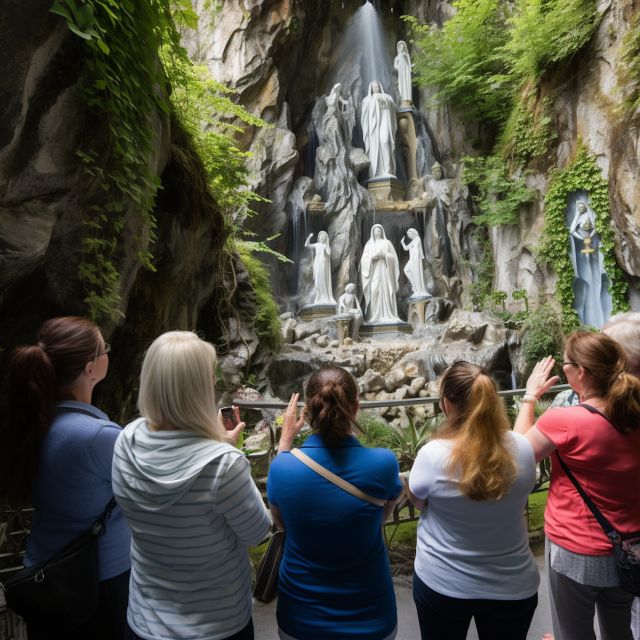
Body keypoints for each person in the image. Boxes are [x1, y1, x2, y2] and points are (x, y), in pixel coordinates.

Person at [112, 331, 271, 640]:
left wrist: (214, 443)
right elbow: (256, 532)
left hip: (146, 620)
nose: (213, 382)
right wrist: (229, 450)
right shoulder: (224, 464)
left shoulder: (125, 441)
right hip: (217, 624)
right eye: (208, 376)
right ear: (196, 389)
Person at [0, 316, 131, 639]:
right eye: (104, 349)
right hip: (95, 581)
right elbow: (148, 496)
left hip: (44, 572)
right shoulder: (98, 436)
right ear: (90, 368)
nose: (107, 355)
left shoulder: (34, 423)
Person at [515, 332, 640, 640]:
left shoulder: (565, 421)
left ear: (581, 372)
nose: (564, 369)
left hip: (575, 551)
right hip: (630, 549)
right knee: (619, 629)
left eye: (567, 363)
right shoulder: (634, 411)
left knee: (574, 633)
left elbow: (515, 454)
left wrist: (530, 396)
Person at [267, 365, 402, 640]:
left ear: (307, 411)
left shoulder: (282, 468)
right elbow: (380, 518)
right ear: (356, 406)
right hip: (371, 618)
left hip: (301, 620)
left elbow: (281, 522)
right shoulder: (384, 463)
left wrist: (285, 440)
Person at [408, 361, 539, 640]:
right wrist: (530, 398)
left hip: (443, 582)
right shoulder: (524, 450)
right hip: (512, 585)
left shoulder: (433, 455)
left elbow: (418, 501)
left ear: (446, 403)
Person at [567, 199, 611, 328]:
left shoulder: (590, 215)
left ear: (586, 206)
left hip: (593, 243)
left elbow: (596, 226)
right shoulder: (578, 217)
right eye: (579, 207)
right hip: (584, 243)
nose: (581, 209)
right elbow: (572, 230)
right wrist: (582, 238)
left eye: (582, 206)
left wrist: (591, 235)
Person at [360, 224, 401, 323]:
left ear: (382, 231)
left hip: (385, 271)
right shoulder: (369, 245)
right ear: (372, 232)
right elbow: (363, 259)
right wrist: (373, 257)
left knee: (386, 290)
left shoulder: (387, 243)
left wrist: (385, 256)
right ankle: (374, 316)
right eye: (376, 230)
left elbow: (394, 258)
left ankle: (389, 314)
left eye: (379, 230)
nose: (378, 232)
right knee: (374, 291)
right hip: (374, 271)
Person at [361, 80, 397, 178]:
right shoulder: (367, 100)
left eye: (376, 86)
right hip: (373, 129)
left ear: (380, 87)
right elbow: (364, 116)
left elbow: (393, 109)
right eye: (373, 87)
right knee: (375, 147)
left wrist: (383, 101)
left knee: (385, 141)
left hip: (384, 122)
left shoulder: (387, 97)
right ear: (371, 89)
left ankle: (388, 169)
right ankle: (375, 172)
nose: (375, 88)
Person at [305, 231, 336, 305]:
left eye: (324, 237)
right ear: (319, 237)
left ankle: (325, 297)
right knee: (317, 281)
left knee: (322, 279)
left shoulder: (326, 246)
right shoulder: (317, 244)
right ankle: (318, 297)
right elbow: (306, 245)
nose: (322, 238)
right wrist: (309, 237)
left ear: (326, 238)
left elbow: (328, 253)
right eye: (321, 237)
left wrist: (327, 245)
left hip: (323, 263)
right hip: (317, 263)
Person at [401, 228, 428, 296]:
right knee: (406, 270)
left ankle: (419, 290)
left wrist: (416, 260)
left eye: (409, 234)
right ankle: (414, 286)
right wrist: (402, 242)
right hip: (412, 259)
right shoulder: (413, 241)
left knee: (417, 274)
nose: (409, 236)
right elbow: (406, 248)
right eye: (408, 235)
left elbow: (417, 251)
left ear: (413, 233)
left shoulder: (417, 239)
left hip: (415, 259)